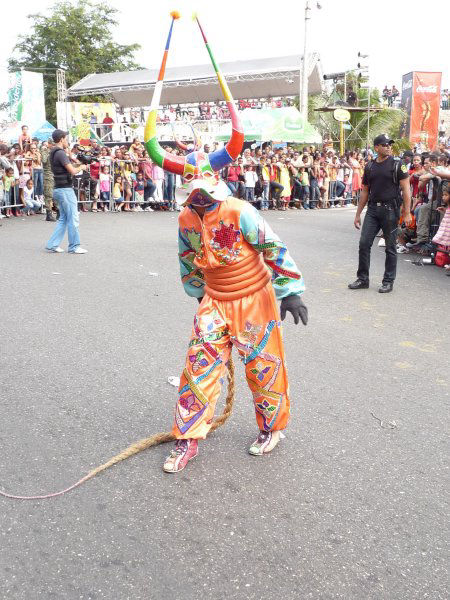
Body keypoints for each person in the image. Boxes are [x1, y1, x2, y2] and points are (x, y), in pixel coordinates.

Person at [143, 14, 308, 473]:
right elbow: (186, 260)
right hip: (215, 301)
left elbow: (273, 246)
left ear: (217, 182)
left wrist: (290, 288)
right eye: (193, 189)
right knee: (199, 367)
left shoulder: (239, 210)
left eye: (205, 188)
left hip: (255, 298)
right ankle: (187, 437)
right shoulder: (184, 217)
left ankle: (272, 426)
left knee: (263, 366)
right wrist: (199, 295)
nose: (199, 196)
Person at [348, 134, 411, 293]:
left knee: (390, 247)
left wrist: (407, 212)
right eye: (384, 145)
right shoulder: (369, 166)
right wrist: (357, 214)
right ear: (376, 148)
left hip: (390, 210)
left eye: (390, 144)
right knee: (364, 244)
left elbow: (406, 190)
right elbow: (365, 191)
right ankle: (363, 279)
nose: (388, 147)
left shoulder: (398, 164)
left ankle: (388, 281)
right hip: (373, 210)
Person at [45, 129, 88, 254]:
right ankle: (74, 246)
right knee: (73, 218)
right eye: (66, 138)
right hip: (65, 189)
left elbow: (67, 168)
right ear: (62, 139)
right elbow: (73, 171)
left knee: (64, 218)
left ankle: (53, 245)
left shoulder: (53, 152)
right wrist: (82, 166)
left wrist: (72, 158)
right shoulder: (60, 153)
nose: (67, 140)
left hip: (59, 188)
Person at [41, 138, 57, 221]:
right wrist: (43, 151)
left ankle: (59, 212)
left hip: (55, 175)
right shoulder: (46, 151)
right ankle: (49, 214)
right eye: (52, 144)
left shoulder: (57, 152)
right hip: (48, 175)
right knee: (49, 195)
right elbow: (43, 161)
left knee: (56, 194)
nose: (54, 146)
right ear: (49, 144)